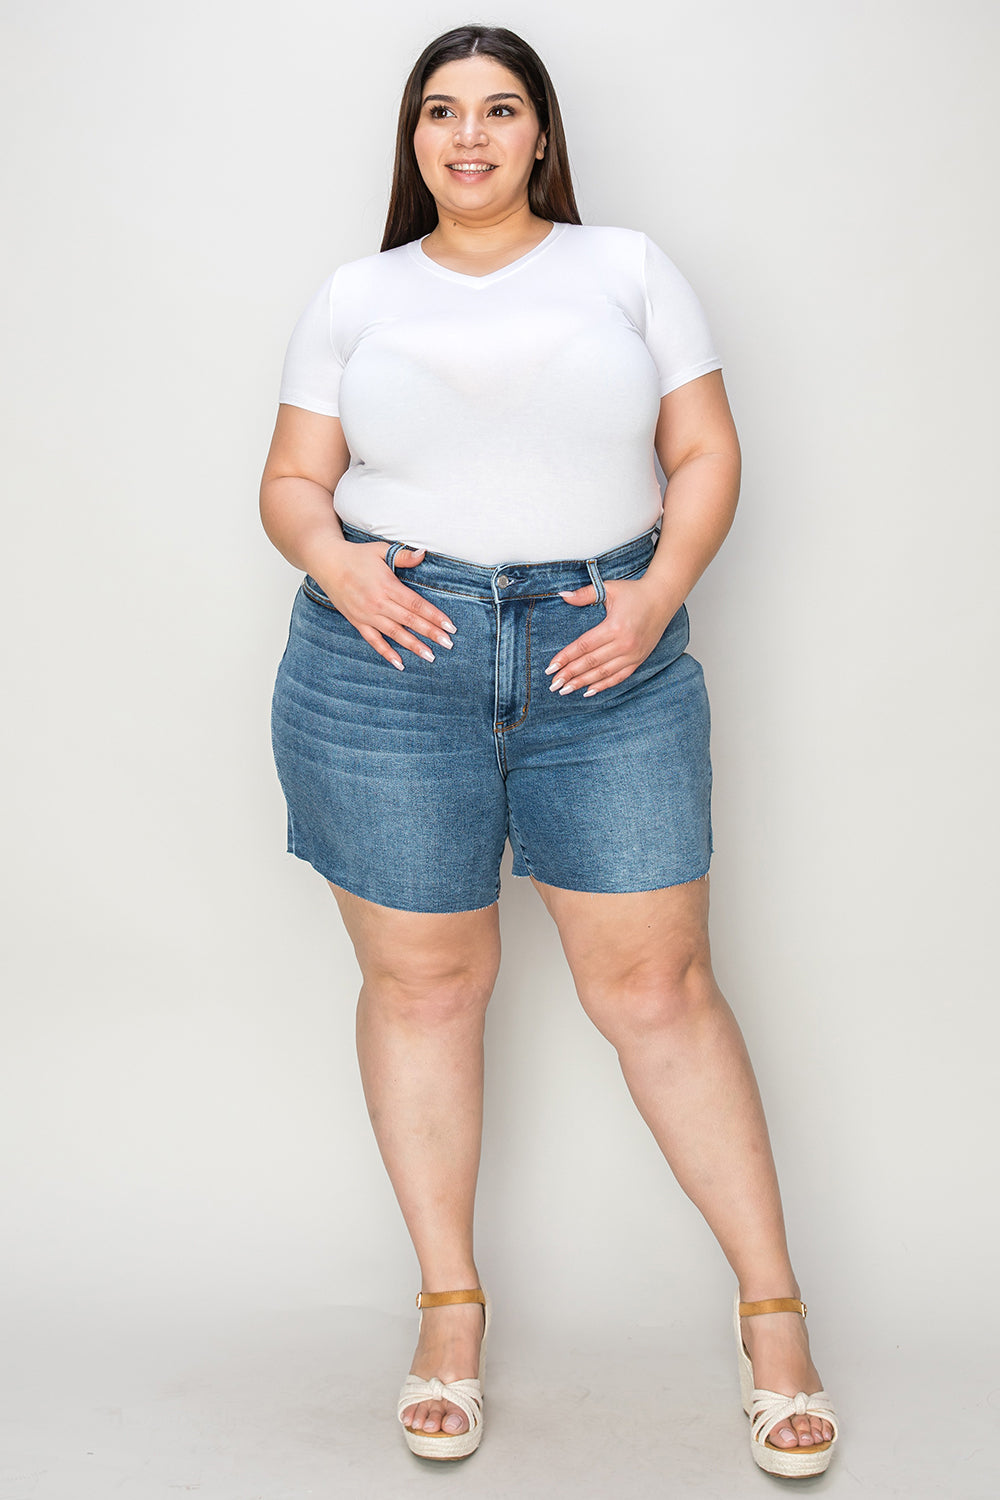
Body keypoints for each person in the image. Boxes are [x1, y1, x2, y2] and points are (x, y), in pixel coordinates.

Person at [259, 23, 839, 1478]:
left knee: (658, 989)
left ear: (539, 135)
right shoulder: (354, 295)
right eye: (441, 112)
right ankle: (448, 1309)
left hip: (609, 656)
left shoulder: (628, 268)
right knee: (427, 989)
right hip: (392, 661)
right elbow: (290, 480)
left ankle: (773, 1317)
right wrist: (337, 566)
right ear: (415, 141)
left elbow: (705, 454)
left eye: (499, 109)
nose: (470, 136)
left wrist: (658, 592)